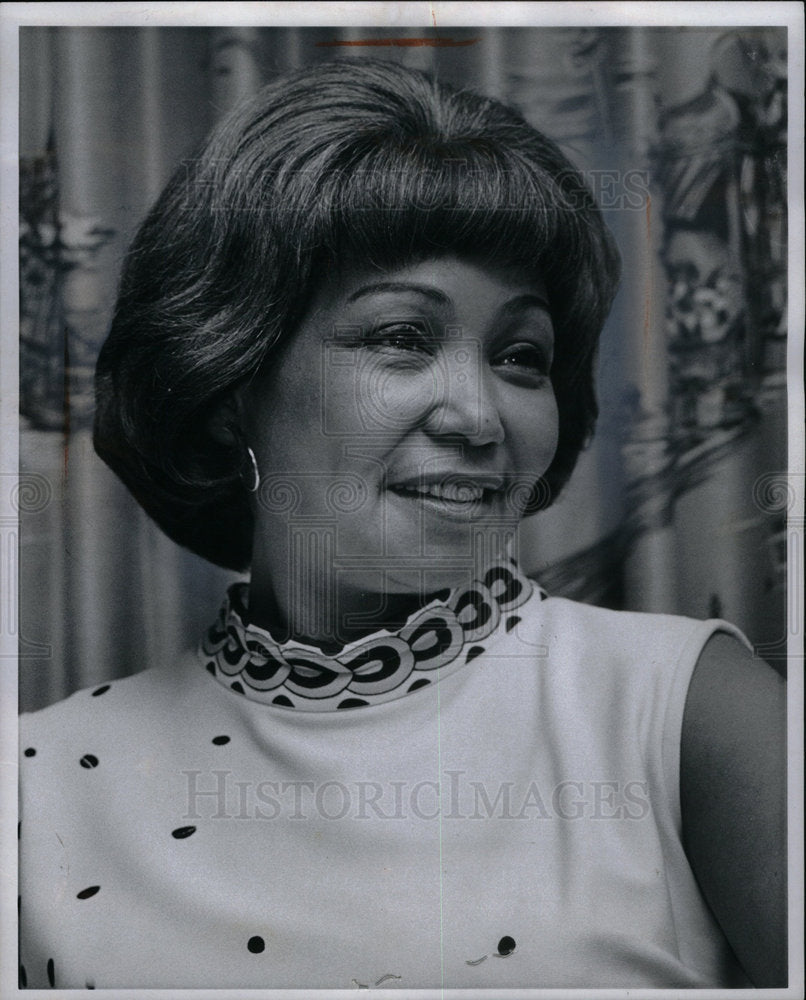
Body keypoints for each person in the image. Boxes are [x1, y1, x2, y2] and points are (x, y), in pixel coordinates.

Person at [18, 59, 786, 990]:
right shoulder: (35, 784)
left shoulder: (687, 711)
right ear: (230, 386)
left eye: (521, 355)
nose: (478, 417)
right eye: (400, 338)